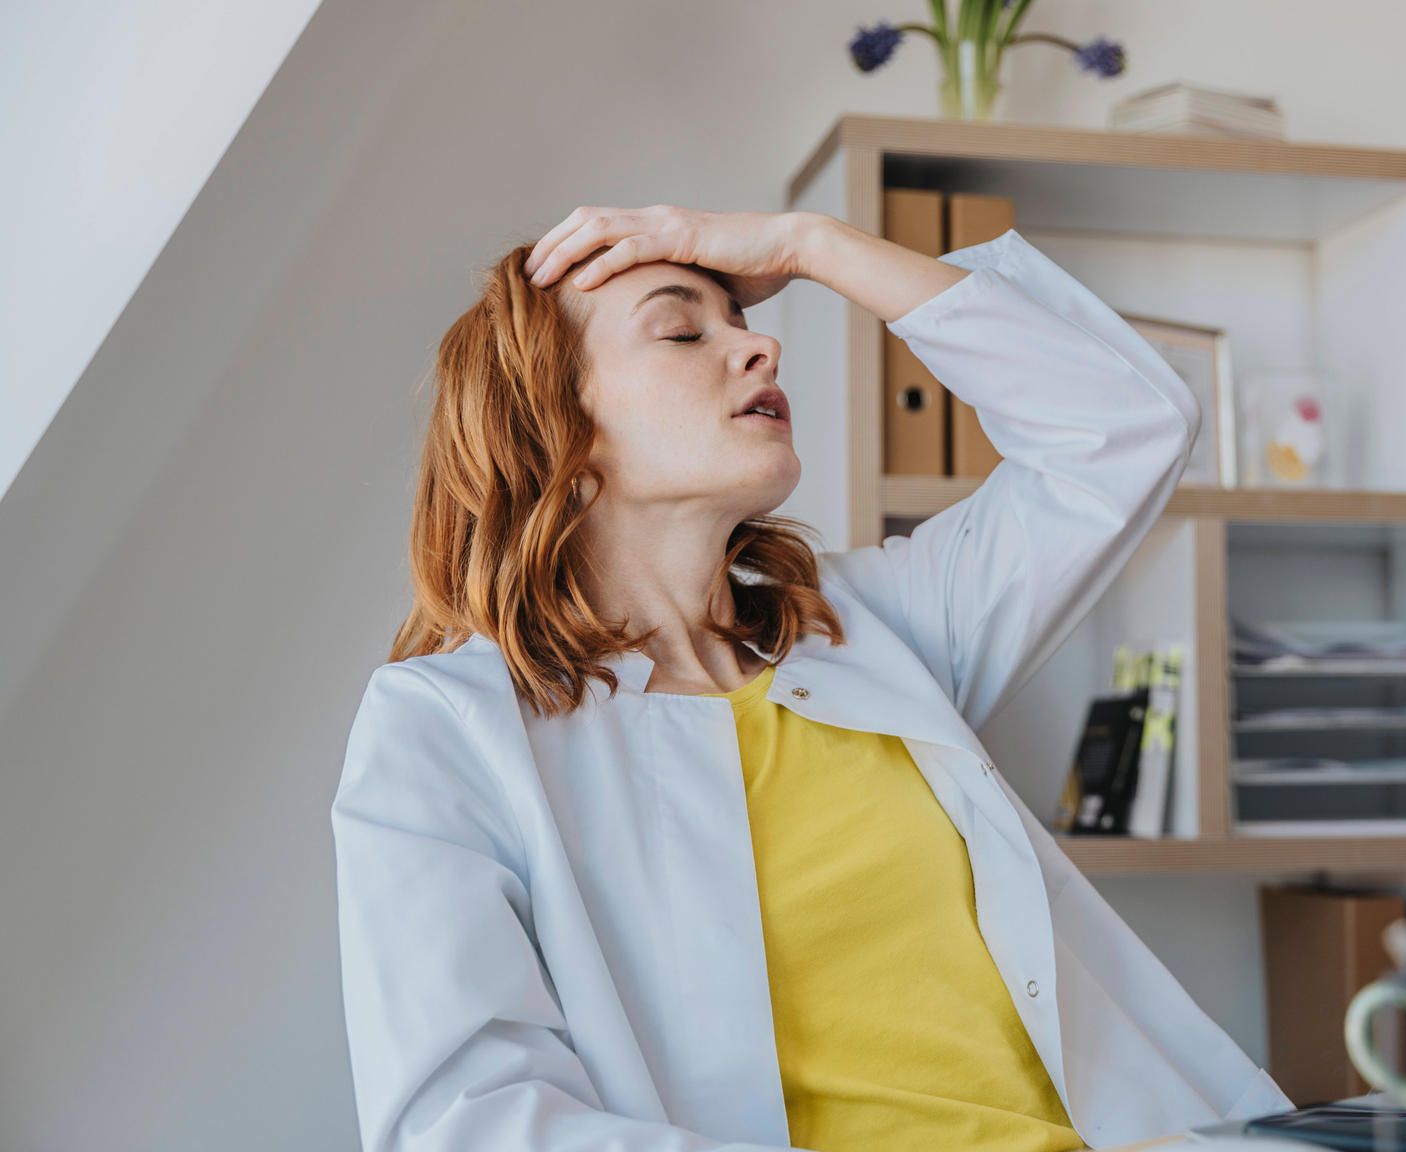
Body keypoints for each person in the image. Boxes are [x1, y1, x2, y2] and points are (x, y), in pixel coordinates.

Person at [330, 204, 1293, 1152]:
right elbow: (464, 1124)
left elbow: (1126, 427)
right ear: (558, 435)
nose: (760, 351)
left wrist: (812, 243)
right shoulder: (448, 725)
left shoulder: (866, 629)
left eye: (744, 322)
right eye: (679, 330)